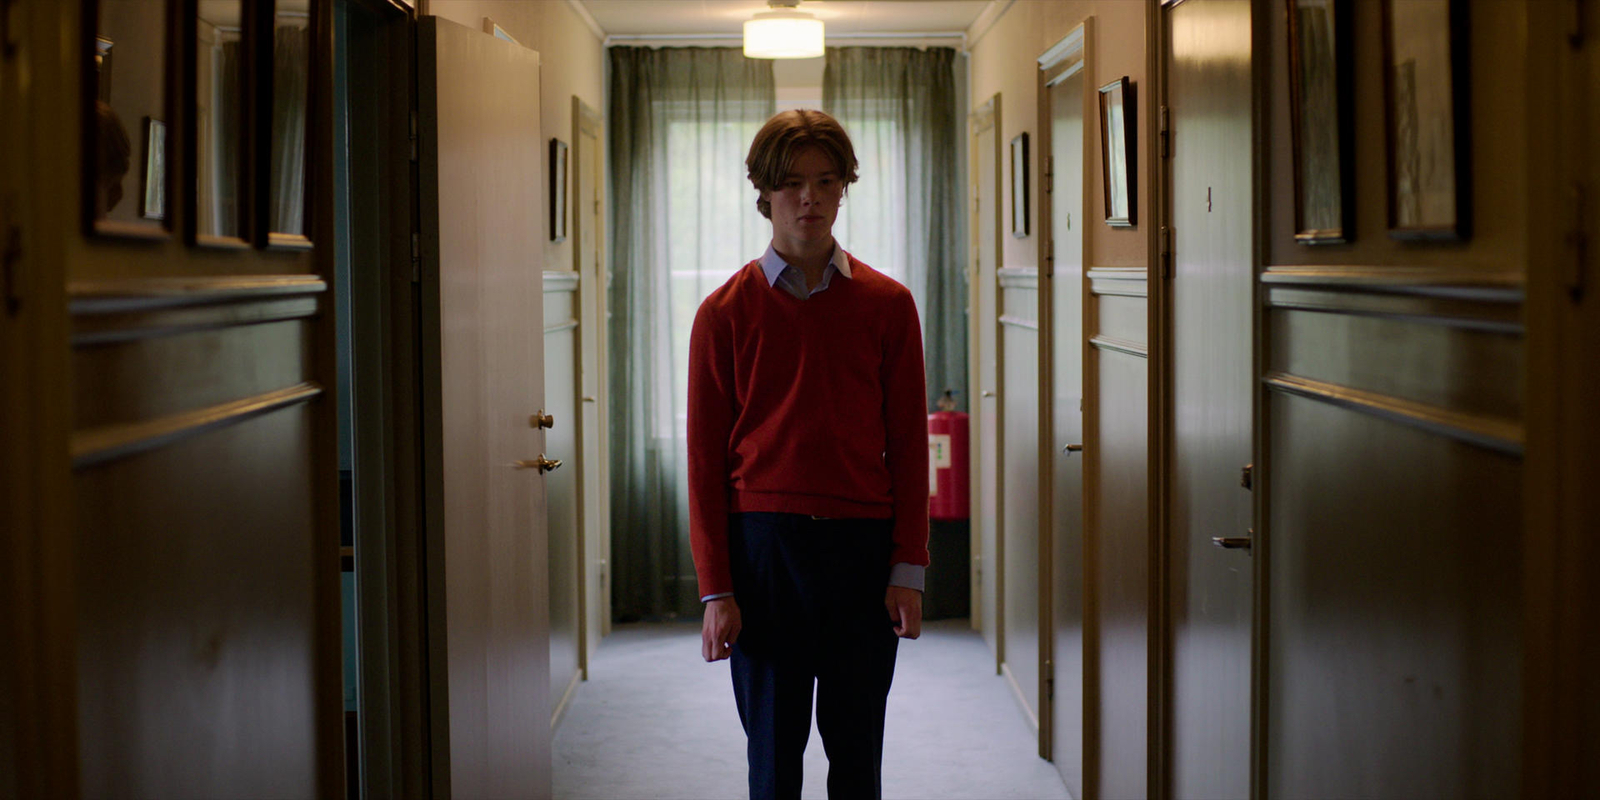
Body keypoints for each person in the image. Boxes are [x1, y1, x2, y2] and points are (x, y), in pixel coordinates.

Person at [688, 108, 931, 800]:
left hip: (861, 549)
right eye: (793, 183)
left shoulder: (889, 306)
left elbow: (910, 445)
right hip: (764, 551)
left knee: (858, 758)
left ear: (844, 189)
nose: (810, 198)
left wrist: (907, 568)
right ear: (764, 194)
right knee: (773, 761)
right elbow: (705, 461)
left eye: (827, 182)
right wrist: (716, 589)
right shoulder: (723, 312)